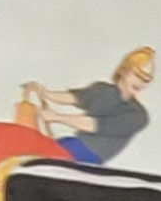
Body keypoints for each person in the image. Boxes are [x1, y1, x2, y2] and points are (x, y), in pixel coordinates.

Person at [19, 45, 154, 165]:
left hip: (89, 156)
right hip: (74, 145)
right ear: (124, 70)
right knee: (31, 155)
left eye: (146, 80)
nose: (140, 83)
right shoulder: (103, 90)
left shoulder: (138, 115)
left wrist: (56, 117)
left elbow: (94, 125)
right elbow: (75, 97)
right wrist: (44, 93)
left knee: (38, 159)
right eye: (138, 75)